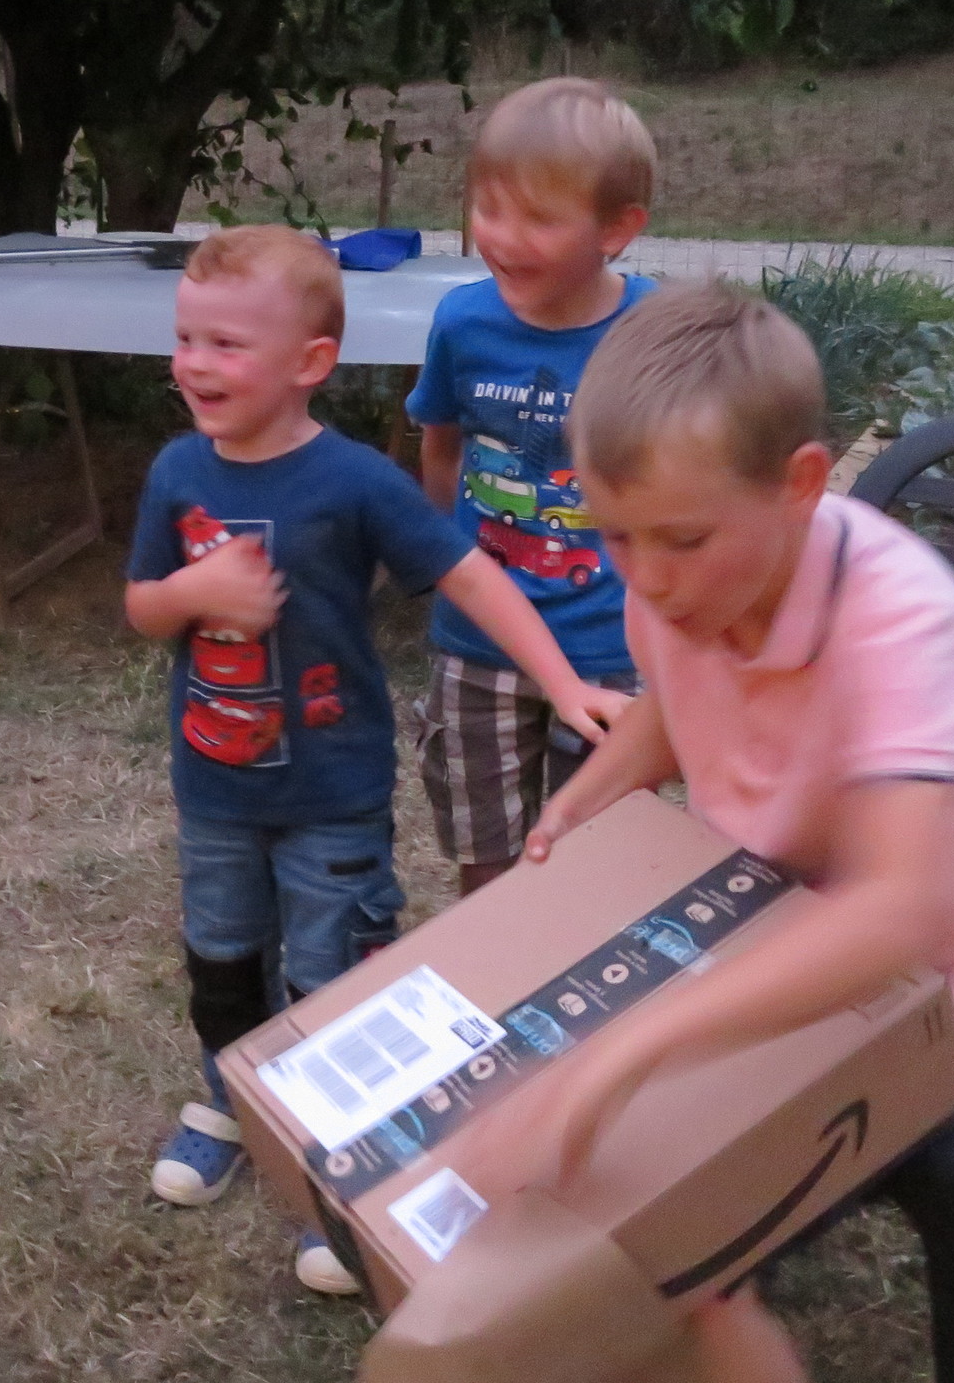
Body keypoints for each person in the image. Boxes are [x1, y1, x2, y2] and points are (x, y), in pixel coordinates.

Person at [519, 283, 954, 1383]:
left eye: (681, 540)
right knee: (543, 1137)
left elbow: (906, 909)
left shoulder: (904, 626)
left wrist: (643, 1044)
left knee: (654, 1252)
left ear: (799, 485)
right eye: (615, 538)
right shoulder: (680, 581)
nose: (647, 581)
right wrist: (591, 791)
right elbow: (675, 698)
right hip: (739, 933)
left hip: (912, 1010)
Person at [123, 225, 609, 1294]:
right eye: (187, 339)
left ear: (311, 362)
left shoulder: (354, 481)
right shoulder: (176, 471)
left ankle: (336, 1163)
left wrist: (563, 681)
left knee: (332, 973)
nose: (195, 363)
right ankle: (229, 1096)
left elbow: (472, 576)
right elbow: (145, 606)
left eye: (227, 345)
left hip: (333, 798)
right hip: (214, 789)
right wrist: (194, 594)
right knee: (221, 955)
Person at [406, 79, 655, 894]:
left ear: (616, 229)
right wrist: (453, 568)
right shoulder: (462, 323)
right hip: (478, 647)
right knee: (486, 860)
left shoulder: (652, 333)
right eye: (489, 209)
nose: (505, 239)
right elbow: (441, 451)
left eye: (540, 220)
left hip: (611, 649)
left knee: (597, 862)